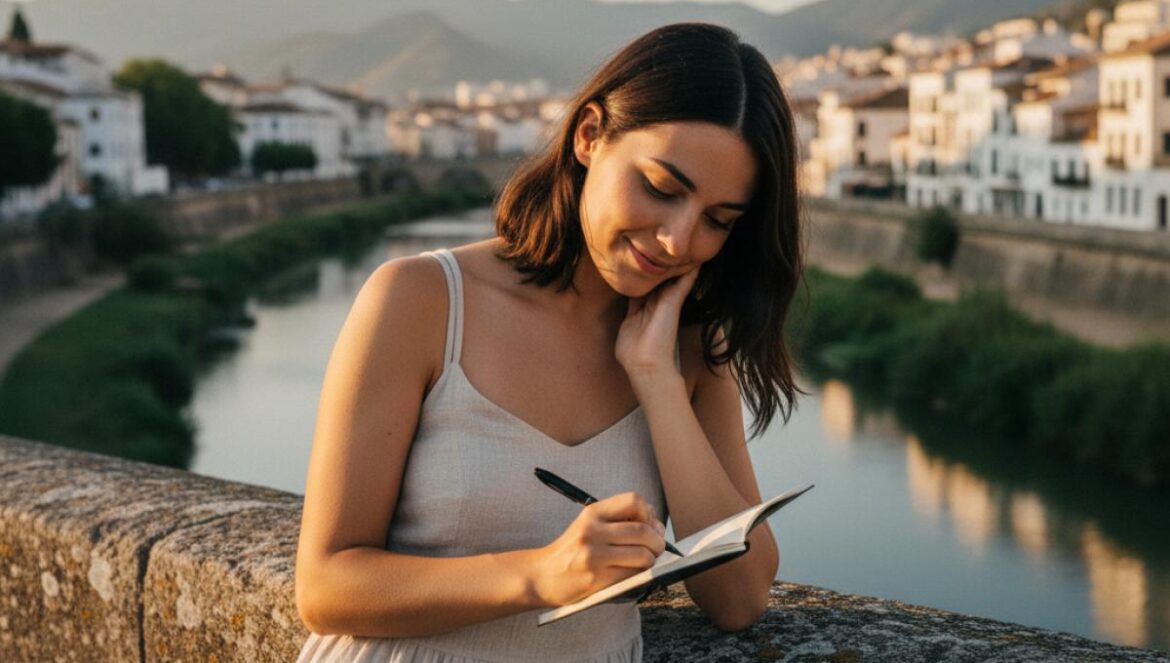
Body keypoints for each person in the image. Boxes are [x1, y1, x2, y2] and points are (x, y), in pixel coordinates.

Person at [294, 21, 803, 663]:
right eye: (661, 189)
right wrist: (540, 575)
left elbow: (740, 597)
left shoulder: (690, 349)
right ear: (589, 135)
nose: (678, 240)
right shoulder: (420, 299)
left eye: (717, 221)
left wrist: (656, 380)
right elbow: (326, 586)